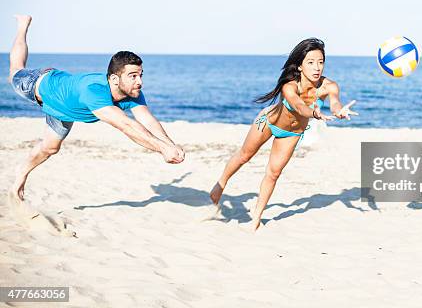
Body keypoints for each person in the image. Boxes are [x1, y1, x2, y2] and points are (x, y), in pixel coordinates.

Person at [7, 14, 185, 202]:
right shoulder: (95, 92)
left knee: (50, 148)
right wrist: (162, 149)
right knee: (15, 70)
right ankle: (22, 25)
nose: (139, 81)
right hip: (39, 84)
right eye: (133, 76)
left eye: (141, 75)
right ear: (115, 79)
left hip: (63, 109)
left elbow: (147, 120)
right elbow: (126, 126)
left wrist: (170, 144)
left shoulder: (132, 91)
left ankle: (21, 172)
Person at [209, 38, 358, 230]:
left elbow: (335, 101)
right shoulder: (290, 85)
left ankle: (256, 218)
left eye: (321, 62)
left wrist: (338, 111)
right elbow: (298, 105)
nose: (317, 67)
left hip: (292, 133)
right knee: (244, 156)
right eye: (311, 62)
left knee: (273, 173)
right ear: (300, 66)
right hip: (269, 122)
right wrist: (314, 113)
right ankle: (220, 184)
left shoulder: (329, 86)